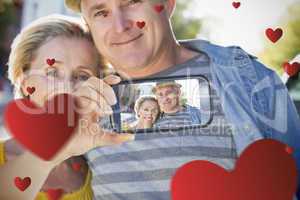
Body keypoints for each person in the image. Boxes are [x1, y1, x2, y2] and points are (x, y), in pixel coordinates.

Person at [0, 14, 133, 200]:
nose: (67, 88)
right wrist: (54, 151)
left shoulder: (104, 165)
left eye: (82, 76)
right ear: (25, 81)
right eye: (52, 72)